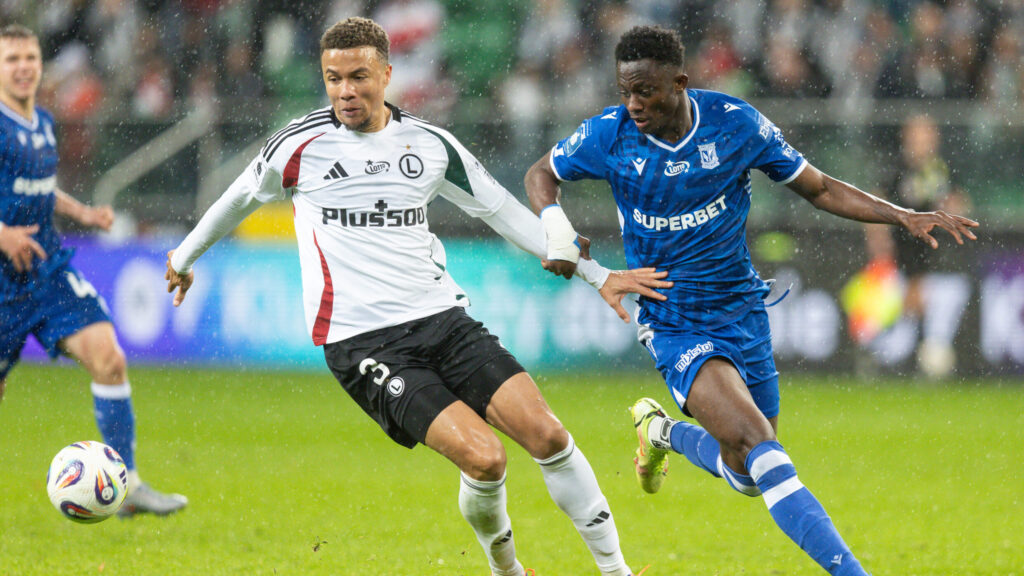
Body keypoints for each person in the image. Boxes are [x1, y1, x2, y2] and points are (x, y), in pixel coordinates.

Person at [165, 17, 661, 576]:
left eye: (358, 77)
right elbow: (237, 198)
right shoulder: (299, 145)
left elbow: (499, 209)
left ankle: (617, 572)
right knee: (485, 457)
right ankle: (508, 571)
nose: (346, 91)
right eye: (333, 79)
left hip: (443, 320)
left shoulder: (428, 145)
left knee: (548, 435)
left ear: (386, 74)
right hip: (362, 341)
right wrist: (183, 258)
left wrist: (597, 274)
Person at [524, 25, 978, 576]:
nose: (633, 104)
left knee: (746, 469)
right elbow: (542, 173)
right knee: (763, 450)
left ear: (681, 82)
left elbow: (820, 188)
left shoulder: (734, 123)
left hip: (742, 308)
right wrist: (555, 225)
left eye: (646, 91)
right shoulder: (609, 135)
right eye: (625, 91)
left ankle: (662, 432)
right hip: (673, 316)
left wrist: (901, 215)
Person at [0, 24, 186, 518]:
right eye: (11, 59)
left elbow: (35, 187)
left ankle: (128, 482)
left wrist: (81, 213)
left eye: (30, 58)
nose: (23, 67)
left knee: (109, 358)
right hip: (0, 281)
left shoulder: (40, 119)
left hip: (47, 271)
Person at [866, 113, 971, 377]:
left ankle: (928, 369)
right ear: (906, 138)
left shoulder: (946, 170)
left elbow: (962, 206)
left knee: (937, 346)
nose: (922, 142)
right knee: (893, 346)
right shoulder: (894, 171)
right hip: (902, 265)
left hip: (940, 268)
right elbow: (875, 209)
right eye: (916, 136)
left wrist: (950, 205)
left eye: (927, 136)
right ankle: (876, 363)